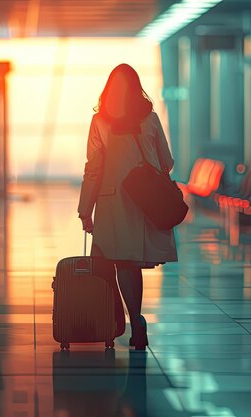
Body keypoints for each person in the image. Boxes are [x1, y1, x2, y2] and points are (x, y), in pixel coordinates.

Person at [77, 63, 177, 351]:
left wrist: (86, 210)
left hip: (111, 202)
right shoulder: (151, 119)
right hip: (144, 201)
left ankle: (112, 321)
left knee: (112, 260)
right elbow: (167, 162)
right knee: (130, 263)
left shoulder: (100, 122)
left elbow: (93, 170)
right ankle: (136, 321)